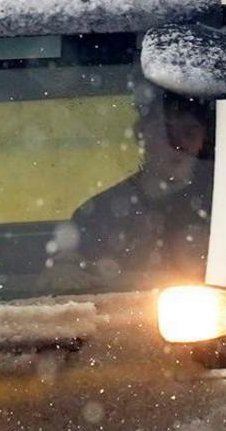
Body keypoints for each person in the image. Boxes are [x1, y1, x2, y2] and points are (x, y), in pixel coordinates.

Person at [52, 87, 216, 284]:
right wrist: (65, 271)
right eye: (165, 133)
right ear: (143, 136)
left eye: (188, 132)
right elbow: (65, 281)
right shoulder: (97, 214)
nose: (178, 144)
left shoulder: (225, 206)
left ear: (204, 138)